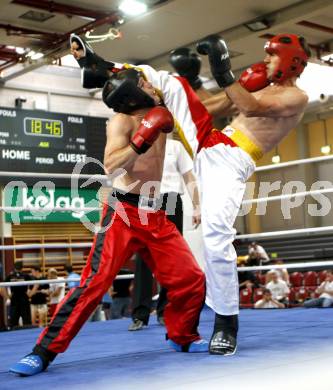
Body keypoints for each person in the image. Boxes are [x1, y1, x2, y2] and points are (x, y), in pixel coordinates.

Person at [69, 32, 310, 356]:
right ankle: (103, 67)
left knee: (215, 236)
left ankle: (226, 323)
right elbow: (212, 106)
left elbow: (248, 106)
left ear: (292, 62)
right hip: (211, 143)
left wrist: (224, 71)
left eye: (272, 56)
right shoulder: (259, 84)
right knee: (171, 85)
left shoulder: (297, 97)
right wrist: (205, 82)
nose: (265, 60)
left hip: (232, 159)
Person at [10, 69, 207, 376]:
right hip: (123, 212)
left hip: (155, 212)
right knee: (93, 285)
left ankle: (182, 335)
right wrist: (142, 139)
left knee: (191, 276)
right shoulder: (121, 121)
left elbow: (190, 100)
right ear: (132, 94)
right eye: (143, 83)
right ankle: (43, 351)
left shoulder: (161, 110)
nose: (151, 86)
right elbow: (110, 166)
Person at [129, 137, 201, 331]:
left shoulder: (175, 147)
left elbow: (189, 177)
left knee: (172, 256)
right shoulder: (139, 144)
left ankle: (165, 310)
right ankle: (140, 315)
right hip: (146, 198)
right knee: (143, 256)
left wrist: (197, 206)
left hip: (170, 198)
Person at [5, 261, 32, 329]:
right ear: (22, 268)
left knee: (23, 321)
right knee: (18, 321)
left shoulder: (25, 276)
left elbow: (36, 283)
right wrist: (30, 293)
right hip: (19, 299)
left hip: (20, 299)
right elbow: (2, 286)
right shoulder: (11, 276)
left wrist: (7, 297)